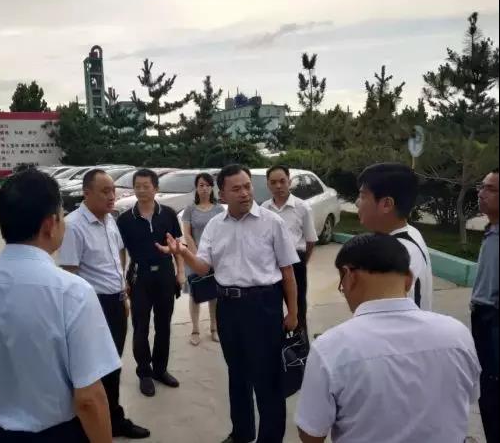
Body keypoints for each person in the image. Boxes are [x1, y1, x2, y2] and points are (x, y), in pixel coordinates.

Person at [0, 168, 120, 443]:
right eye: (62, 215)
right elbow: (88, 398)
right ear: (50, 224)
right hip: (60, 434)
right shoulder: (73, 292)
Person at [158, 164, 299, 443]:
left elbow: (288, 272)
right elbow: (203, 267)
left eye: (247, 186)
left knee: (268, 379)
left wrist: (293, 312)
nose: (245, 193)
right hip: (228, 308)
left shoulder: (272, 222)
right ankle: (242, 434)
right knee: (238, 375)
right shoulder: (215, 225)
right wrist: (182, 253)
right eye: (236, 189)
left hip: (263, 306)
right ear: (222, 194)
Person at [295, 233, 481, 443]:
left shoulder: (330, 348)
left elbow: (311, 434)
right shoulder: (457, 335)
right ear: (409, 279)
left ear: (349, 276)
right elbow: (469, 396)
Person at [59, 168, 151, 439]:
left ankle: (112, 419)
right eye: (105, 191)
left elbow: (117, 256)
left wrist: (123, 293)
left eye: (113, 190)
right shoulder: (73, 226)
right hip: (92, 306)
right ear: (86, 193)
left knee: (112, 364)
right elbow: (69, 274)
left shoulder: (110, 220)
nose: (112, 196)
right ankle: (94, 424)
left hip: (116, 303)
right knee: (94, 369)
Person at [116, 168, 185, 397]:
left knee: (164, 325)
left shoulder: (168, 214)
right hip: (139, 275)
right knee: (141, 326)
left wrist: (180, 272)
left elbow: (177, 246)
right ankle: (144, 373)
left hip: (165, 273)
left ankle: (160, 369)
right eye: (137, 186)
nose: (141, 190)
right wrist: (122, 278)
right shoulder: (125, 219)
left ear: (156, 188)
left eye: (146, 186)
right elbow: (121, 252)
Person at [356, 162, 433, 310]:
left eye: (363, 196)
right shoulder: (411, 234)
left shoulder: (395, 258)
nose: (357, 203)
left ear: (387, 204)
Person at [262, 165, 318, 340]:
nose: (278, 186)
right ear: (268, 184)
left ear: (289, 181)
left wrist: (302, 262)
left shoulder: (301, 207)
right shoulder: (264, 208)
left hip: (296, 261)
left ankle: (301, 348)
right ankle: (278, 347)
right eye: (273, 182)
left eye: (282, 181)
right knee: (272, 307)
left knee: (298, 308)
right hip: (271, 263)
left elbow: (310, 240)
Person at [471, 168, 499, 443]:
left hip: (494, 318)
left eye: (491, 189)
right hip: (481, 316)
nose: (482, 193)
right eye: (482, 187)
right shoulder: (491, 229)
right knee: (485, 389)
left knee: (494, 391)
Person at [182, 172, 225, 346]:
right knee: (196, 294)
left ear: (212, 188)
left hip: (215, 258)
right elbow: (187, 234)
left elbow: (222, 234)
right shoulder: (190, 209)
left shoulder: (219, 209)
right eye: (201, 185)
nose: (204, 188)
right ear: (196, 188)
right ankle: (195, 330)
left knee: (214, 294)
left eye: (208, 185)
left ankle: (214, 328)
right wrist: (198, 256)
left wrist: (213, 256)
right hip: (194, 257)